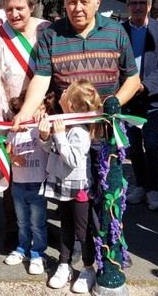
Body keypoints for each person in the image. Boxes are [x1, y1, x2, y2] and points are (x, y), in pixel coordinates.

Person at [0, 0, 50, 252]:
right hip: (10, 116)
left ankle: (40, 227)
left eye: (20, 7)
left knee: (44, 174)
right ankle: (14, 227)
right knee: (13, 174)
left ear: (32, 5)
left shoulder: (46, 31)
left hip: (41, 114)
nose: (14, 14)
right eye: (9, 9)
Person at [12, 0, 139, 129]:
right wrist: (26, 112)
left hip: (107, 127)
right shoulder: (51, 35)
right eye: (72, 2)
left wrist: (115, 102)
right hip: (66, 131)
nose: (77, 8)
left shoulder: (116, 31)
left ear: (97, 2)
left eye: (84, 1)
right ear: (65, 3)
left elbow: (133, 79)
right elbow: (41, 79)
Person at [38, 79, 103, 293]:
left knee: (82, 231)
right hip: (62, 185)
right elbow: (51, 150)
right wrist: (46, 137)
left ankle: (87, 268)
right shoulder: (63, 122)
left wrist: (57, 135)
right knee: (65, 226)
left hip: (78, 188)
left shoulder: (80, 131)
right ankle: (64, 264)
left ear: (72, 105)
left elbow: (73, 159)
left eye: (66, 92)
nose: (62, 93)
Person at [121, 0, 158, 211]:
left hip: (150, 97)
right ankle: (140, 186)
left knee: (151, 145)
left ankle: (153, 189)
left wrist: (145, 84)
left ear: (149, 5)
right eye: (133, 3)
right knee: (133, 147)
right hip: (128, 99)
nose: (138, 7)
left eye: (142, 3)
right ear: (128, 6)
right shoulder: (120, 31)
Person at [3, 90, 51, 276]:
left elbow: (49, 146)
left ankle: (38, 254)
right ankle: (22, 249)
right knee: (22, 222)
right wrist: (12, 156)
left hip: (37, 184)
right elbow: (6, 151)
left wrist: (43, 129)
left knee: (37, 224)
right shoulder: (15, 129)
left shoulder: (43, 128)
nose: (35, 112)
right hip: (18, 184)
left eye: (39, 107)